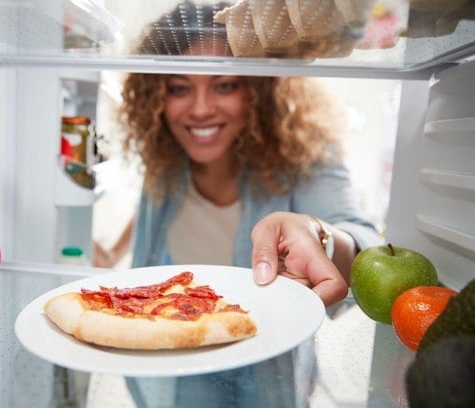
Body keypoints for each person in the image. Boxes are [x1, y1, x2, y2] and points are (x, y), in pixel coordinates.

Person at [92, 2, 385, 406]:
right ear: (156, 97)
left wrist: (317, 234)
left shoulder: (305, 158)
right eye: (179, 87)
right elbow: (149, 216)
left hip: (266, 387)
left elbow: (367, 243)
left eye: (224, 84)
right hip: (164, 382)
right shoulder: (168, 160)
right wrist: (111, 253)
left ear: (258, 89)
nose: (199, 108)